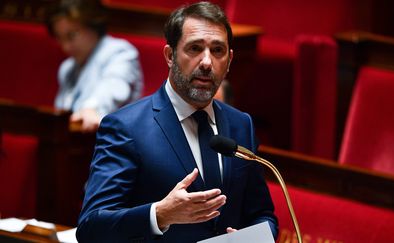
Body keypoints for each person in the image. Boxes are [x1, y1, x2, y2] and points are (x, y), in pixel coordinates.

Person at [76, 2, 278, 242]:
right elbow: (91, 227)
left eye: (217, 51)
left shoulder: (241, 125)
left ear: (230, 59)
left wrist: (251, 239)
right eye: (194, 48)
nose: (206, 62)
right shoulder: (126, 127)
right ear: (170, 56)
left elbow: (263, 214)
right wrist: (159, 215)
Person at [45, 0, 143, 132]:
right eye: (60, 38)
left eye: (71, 35)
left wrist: (92, 109)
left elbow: (114, 87)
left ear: (93, 25)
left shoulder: (120, 52)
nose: (65, 47)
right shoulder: (67, 68)